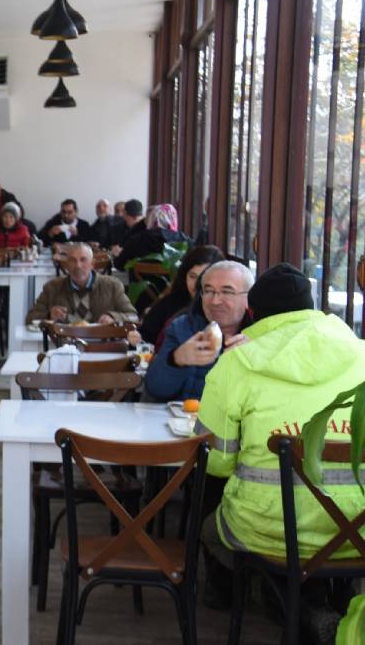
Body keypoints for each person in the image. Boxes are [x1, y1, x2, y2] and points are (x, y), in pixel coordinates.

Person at [198, 263, 365, 643]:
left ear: (253, 313)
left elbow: (217, 462)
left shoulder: (238, 361)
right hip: (357, 529)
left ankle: (291, 605)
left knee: (212, 527)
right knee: (319, 538)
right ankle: (326, 607)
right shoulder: (361, 355)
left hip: (267, 529)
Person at [144, 260, 252, 401]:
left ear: (248, 298)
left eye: (227, 292)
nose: (215, 301)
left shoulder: (263, 336)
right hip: (183, 419)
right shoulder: (183, 328)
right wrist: (176, 360)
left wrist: (255, 363)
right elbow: (155, 390)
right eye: (208, 291)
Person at [26, 242, 138, 325]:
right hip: (64, 345)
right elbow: (30, 319)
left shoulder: (112, 285)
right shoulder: (52, 287)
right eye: (72, 260)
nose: (77, 265)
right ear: (66, 264)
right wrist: (49, 315)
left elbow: (133, 317)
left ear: (92, 264)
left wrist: (113, 317)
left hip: (102, 345)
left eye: (83, 260)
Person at [138, 245, 225, 347]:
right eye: (192, 276)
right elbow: (145, 337)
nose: (197, 283)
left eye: (204, 277)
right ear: (185, 276)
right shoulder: (170, 303)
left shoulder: (225, 308)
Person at [112, 203, 189, 270]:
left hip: (140, 285)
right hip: (173, 286)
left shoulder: (137, 240)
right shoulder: (185, 241)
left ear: (152, 218)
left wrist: (116, 255)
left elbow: (119, 265)